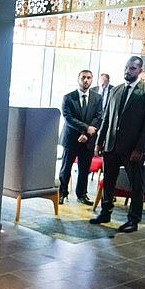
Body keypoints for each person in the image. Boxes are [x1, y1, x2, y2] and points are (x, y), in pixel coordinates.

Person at [90, 56, 145, 232]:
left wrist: (140, 148)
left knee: (136, 185)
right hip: (111, 146)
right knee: (108, 182)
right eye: (126, 68)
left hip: (132, 149)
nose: (127, 71)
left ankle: (133, 220)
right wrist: (99, 142)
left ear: (140, 70)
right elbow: (107, 117)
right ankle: (105, 213)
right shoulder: (116, 90)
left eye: (131, 69)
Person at [58, 70, 102, 206]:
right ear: (78, 79)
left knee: (84, 169)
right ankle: (62, 193)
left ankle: (82, 194)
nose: (86, 80)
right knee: (66, 168)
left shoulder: (97, 98)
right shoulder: (68, 97)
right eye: (83, 77)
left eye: (89, 78)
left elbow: (99, 117)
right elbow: (68, 118)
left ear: (92, 80)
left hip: (88, 140)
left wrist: (87, 133)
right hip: (71, 138)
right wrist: (85, 128)